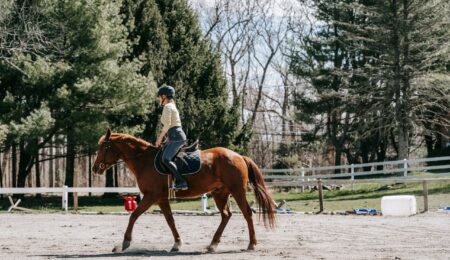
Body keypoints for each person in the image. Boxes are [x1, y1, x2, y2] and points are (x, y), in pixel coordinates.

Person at [155, 85, 188, 191]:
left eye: (160, 97)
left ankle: (181, 182)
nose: (159, 99)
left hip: (176, 136)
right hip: (174, 135)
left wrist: (159, 138)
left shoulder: (168, 107)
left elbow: (168, 125)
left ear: (164, 96)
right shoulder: (171, 106)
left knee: (165, 159)